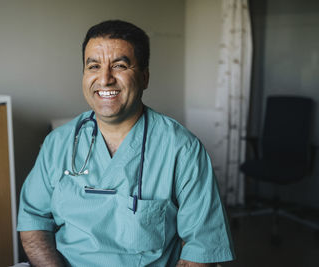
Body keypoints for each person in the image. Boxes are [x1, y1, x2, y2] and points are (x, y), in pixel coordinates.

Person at [17, 20, 235, 267]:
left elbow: (201, 250)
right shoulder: (57, 144)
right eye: (94, 66)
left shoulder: (182, 150)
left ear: (144, 77)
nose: (105, 79)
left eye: (119, 65)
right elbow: (33, 222)